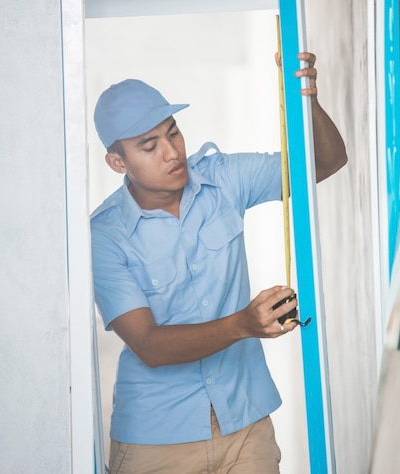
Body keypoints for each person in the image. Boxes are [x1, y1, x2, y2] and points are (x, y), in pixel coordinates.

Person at [91, 53, 347, 474]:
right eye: (149, 146)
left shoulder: (223, 179)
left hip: (246, 426)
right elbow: (149, 345)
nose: (172, 152)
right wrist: (243, 325)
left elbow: (324, 163)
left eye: (173, 133)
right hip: (155, 441)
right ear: (118, 162)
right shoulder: (104, 236)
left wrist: (307, 99)